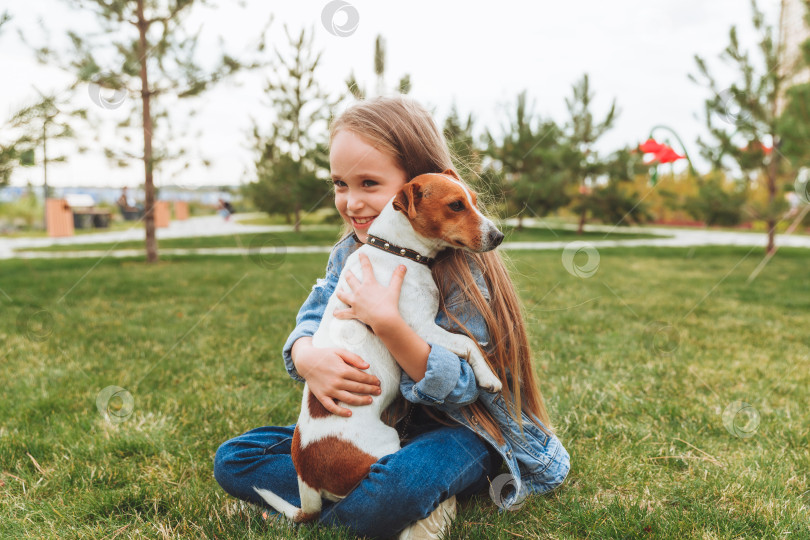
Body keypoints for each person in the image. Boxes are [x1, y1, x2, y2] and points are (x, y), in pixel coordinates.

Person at [213, 96, 570, 539]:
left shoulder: (465, 270)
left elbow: (463, 389)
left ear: (419, 187)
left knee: (400, 486)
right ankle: (382, 505)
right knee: (234, 458)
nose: (352, 202)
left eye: (369, 183)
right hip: (380, 427)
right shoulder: (349, 253)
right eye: (341, 184)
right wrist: (307, 357)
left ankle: (397, 503)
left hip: (460, 431)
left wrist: (389, 324)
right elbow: (313, 317)